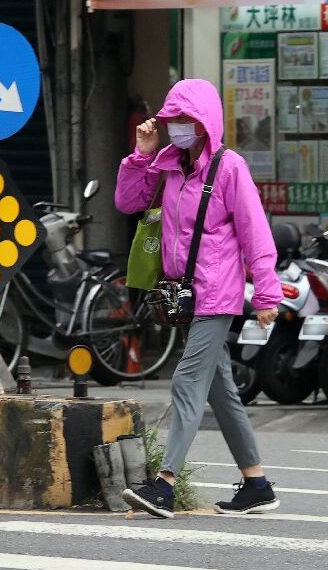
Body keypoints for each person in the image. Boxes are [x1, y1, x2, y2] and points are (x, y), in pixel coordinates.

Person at [114, 79, 282, 519]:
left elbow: (255, 232)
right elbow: (128, 202)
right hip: (184, 295)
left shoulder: (229, 168)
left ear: (206, 123)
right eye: (173, 120)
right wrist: (142, 153)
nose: (178, 128)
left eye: (187, 120)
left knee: (187, 381)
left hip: (218, 294)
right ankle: (257, 483)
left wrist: (266, 292)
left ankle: (164, 487)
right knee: (221, 390)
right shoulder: (168, 165)